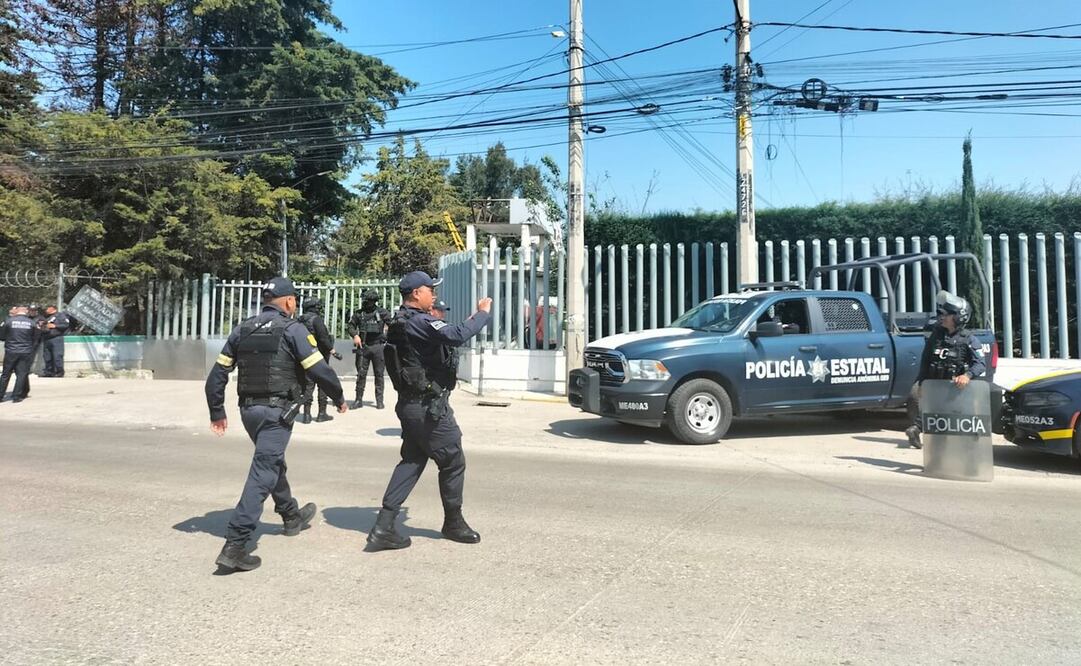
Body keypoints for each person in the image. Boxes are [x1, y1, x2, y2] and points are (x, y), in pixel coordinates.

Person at [204, 277, 348, 572]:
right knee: (264, 470)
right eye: (294, 299)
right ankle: (236, 544)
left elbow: (216, 376)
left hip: (249, 412)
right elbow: (320, 370)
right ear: (289, 301)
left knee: (271, 461)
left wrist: (216, 411)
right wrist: (339, 397)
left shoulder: (243, 329)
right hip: (277, 412)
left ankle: (290, 515)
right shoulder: (293, 329)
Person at [367, 271, 492, 551]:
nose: (433, 295)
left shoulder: (400, 321)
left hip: (411, 404)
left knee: (412, 461)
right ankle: (453, 523)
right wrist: (482, 314)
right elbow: (456, 335)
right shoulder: (419, 322)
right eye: (429, 290)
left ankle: (383, 526)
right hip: (428, 408)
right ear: (415, 294)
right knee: (453, 461)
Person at [905, 290, 987, 449]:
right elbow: (926, 360)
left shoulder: (968, 339)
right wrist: (921, 383)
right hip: (936, 387)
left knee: (963, 425)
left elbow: (980, 364)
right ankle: (926, 443)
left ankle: (971, 454)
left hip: (957, 391)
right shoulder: (936, 337)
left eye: (947, 314)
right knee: (934, 418)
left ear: (958, 317)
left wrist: (967, 376)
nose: (942, 317)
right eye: (941, 314)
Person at [296, 297, 342, 424]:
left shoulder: (299, 320)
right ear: (315, 307)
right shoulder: (316, 320)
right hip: (319, 357)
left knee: (307, 386)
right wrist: (333, 351)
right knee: (322, 384)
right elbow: (323, 338)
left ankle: (306, 415)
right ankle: (322, 414)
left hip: (304, 357)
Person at [347, 289, 391, 409]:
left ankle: (379, 400)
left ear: (373, 301)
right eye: (364, 301)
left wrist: (386, 337)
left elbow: (393, 325)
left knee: (379, 374)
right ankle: (358, 400)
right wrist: (355, 335)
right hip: (363, 346)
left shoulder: (382, 312)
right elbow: (350, 326)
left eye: (367, 301)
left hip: (378, 346)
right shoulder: (359, 314)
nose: (365, 303)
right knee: (361, 374)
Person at [0, 305, 41, 403]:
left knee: (5, 374)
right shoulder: (32, 323)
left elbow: (1, 336)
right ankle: (16, 396)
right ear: (26, 312)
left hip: (11, 351)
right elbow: (36, 338)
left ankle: (0, 395)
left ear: (17, 311)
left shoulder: (8, 321)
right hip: (25, 351)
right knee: (21, 374)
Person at [41, 305, 73, 377]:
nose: (46, 309)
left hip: (56, 338)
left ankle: (59, 372)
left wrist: (55, 326)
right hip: (46, 338)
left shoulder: (60, 315)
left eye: (47, 308)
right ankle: (49, 372)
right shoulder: (46, 317)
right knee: (47, 356)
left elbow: (66, 325)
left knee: (57, 356)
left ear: (53, 308)